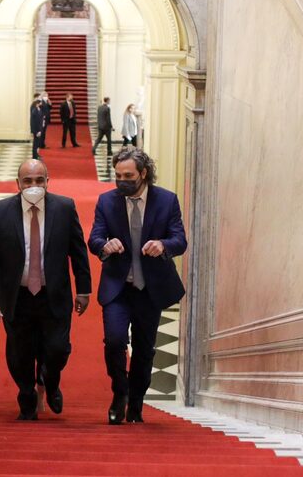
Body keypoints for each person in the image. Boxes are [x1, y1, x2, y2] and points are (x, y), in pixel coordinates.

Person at [0, 159, 92, 420]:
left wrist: (83, 289)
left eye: (39, 180)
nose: (33, 185)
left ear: (47, 182)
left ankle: (50, 382)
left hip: (54, 294)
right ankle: (27, 392)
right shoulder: (0, 211)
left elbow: (78, 251)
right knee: (19, 353)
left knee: (58, 348)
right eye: (27, 181)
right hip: (16, 296)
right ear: (18, 183)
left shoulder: (64, 208)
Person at [88, 149, 187, 425]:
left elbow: (180, 240)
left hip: (149, 289)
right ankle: (119, 393)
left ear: (143, 174)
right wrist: (104, 245)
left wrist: (163, 245)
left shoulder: (166, 201)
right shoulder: (107, 202)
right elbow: (94, 237)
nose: (122, 181)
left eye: (128, 176)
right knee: (115, 341)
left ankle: (136, 402)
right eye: (118, 176)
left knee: (145, 350)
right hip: (118, 287)